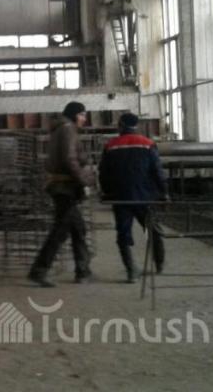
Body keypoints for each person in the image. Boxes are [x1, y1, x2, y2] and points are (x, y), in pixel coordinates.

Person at [29, 101, 95, 287]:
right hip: (65, 187)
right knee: (60, 231)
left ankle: (83, 271)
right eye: (82, 115)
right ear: (74, 114)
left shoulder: (62, 128)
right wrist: (84, 179)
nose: (84, 119)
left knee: (77, 228)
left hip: (62, 186)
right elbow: (69, 159)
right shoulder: (67, 129)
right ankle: (39, 270)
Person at [99, 113, 168, 283]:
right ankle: (159, 265)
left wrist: (108, 192)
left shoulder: (111, 145)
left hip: (121, 197)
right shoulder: (148, 144)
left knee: (123, 233)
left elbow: (104, 173)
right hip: (145, 197)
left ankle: (131, 271)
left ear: (121, 125)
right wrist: (164, 192)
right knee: (152, 230)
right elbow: (157, 171)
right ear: (136, 125)